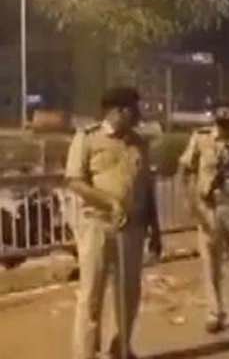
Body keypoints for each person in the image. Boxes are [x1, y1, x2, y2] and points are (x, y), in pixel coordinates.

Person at [66, 87, 162, 359]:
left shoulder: (138, 143)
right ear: (118, 111)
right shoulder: (87, 138)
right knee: (91, 294)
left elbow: (147, 188)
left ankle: (119, 347)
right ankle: (85, 354)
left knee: (128, 293)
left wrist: (155, 228)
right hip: (97, 225)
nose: (138, 115)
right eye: (133, 109)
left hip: (132, 228)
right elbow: (74, 181)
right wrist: (109, 202)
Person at [179, 103, 229, 333]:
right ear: (215, 123)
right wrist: (192, 203)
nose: (226, 129)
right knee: (211, 262)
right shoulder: (200, 139)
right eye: (223, 125)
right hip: (210, 207)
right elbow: (185, 171)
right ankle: (215, 313)